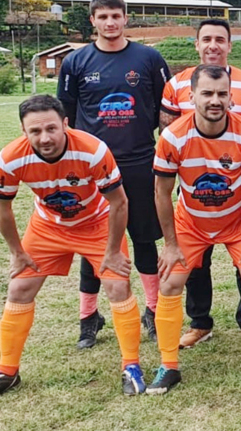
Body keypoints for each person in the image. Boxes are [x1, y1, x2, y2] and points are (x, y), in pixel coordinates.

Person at [0, 95, 146, 395]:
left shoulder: (92, 151)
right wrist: (17, 253)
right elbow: (3, 208)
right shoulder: (11, 158)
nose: (45, 138)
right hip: (48, 226)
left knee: (118, 286)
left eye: (52, 128)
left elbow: (119, 203)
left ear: (65, 124)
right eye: (35, 131)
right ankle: (7, 371)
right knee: (19, 289)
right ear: (23, 132)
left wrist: (111, 251)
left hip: (96, 223)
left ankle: (131, 366)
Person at [149, 65, 241, 393]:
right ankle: (168, 365)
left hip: (238, 219)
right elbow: (162, 193)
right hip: (191, 221)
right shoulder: (173, 135)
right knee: (171, 281)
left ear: (231, 96)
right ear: (192, 97)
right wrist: (171, 245)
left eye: (221, 94)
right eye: (207, 93)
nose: (214, 100)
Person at [57, 0, 169, 346]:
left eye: (115, 16)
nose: (110, 23)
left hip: (139, 161)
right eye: (102, 16)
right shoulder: (75, 62)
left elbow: (166, 110)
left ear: (125, 18)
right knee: (98, 243)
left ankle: (152, 310)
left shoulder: (149, 58)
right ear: (92, 20)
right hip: (93, 168)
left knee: (144, 238)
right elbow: (66, 118)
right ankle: (89, 316)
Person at [160, 19, 241, 349]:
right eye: (206, 39)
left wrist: (227, 157)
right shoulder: (176, 83)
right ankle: (199, 322)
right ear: (196, 44)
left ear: (229, 45)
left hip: (234, 185)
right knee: (195, 263)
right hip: (193, 187)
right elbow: (167, 125)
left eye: (220, 39)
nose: (213, 45)